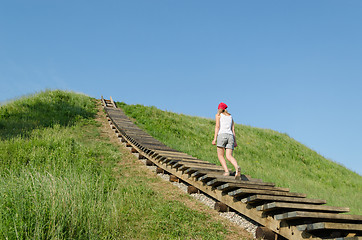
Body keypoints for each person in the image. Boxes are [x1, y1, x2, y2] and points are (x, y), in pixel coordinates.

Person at [212, 102, 241, 179]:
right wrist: (235, 141)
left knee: (220, 155)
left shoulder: (218, 115)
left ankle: (226, 171)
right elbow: (233, 129)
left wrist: (215, 138)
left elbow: (217, 127)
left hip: (222, 135)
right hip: (230, 136)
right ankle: (236, 167)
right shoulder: (231, 117)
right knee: (229, 156)